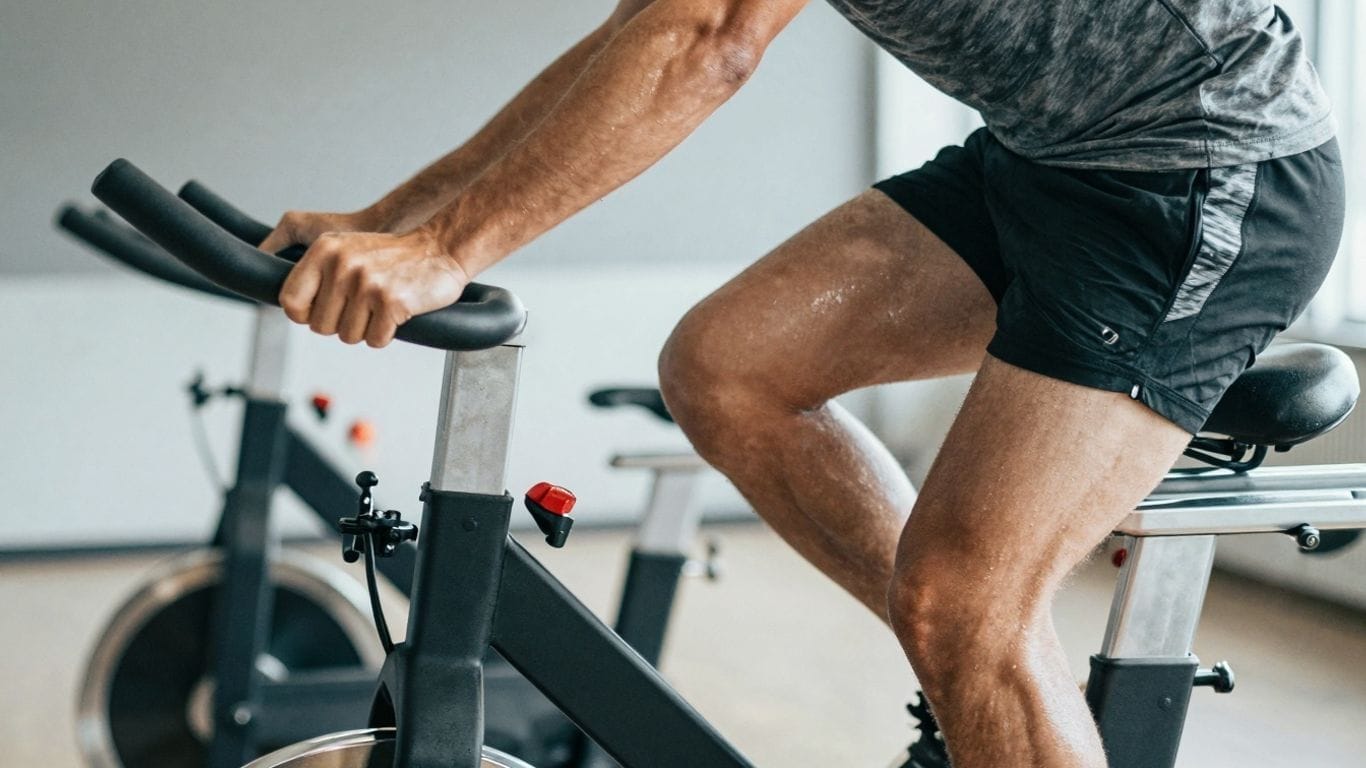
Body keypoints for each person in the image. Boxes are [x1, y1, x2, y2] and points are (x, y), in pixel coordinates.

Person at [257, 1, 1345, 765]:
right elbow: (639, 30)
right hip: (1050, 164)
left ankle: (981, 652)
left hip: (1206, 169)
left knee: (964, 601)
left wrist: (449, 246)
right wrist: (408, 219)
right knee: (728, 369)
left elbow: (712, 40)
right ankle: (983, 681)